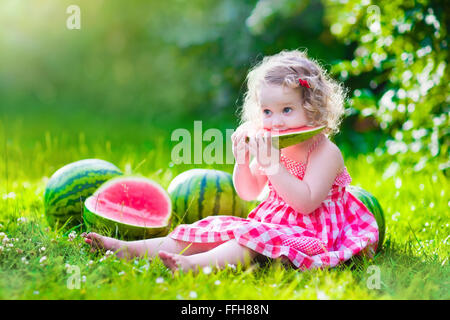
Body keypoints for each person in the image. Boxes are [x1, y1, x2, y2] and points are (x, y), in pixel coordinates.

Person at [83, 49, 379, 272]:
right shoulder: (271, 144)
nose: (275, 121)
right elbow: (248, 192)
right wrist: (243, 161)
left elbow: (306, 202)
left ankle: (194, 267)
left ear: (312, 109)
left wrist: (274, 165)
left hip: (314, 236)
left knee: (246, 242)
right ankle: (128, 249)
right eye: (267, 112)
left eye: (287, 110)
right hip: (269, 224)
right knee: (212, 227)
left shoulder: (326, 152)